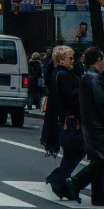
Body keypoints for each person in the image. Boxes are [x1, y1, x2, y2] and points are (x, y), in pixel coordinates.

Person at [65, 47, 104, 207]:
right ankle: (75, 182)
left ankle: (98, 195)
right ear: (98, 61)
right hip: (99, 126)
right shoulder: (94, 78)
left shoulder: (87, 76)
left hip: (92, 124)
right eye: (103, 60)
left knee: (99, 158)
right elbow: (102, 103)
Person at [42, 45, 83, 200]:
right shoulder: (63, 75)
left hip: (66, 118)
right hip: (69, 119)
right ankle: (58, 180)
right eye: (70, 58)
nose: (73, 60)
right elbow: (68, 98)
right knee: (78, 149)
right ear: (61, 59)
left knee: (72, 153)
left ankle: (62, 185)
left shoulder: (60, 73)